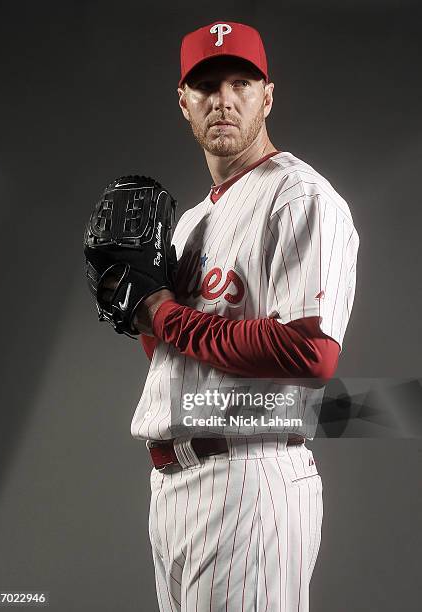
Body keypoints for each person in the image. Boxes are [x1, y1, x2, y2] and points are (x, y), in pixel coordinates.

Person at [131, 20, 359, 612]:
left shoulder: (298, 196)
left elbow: (310, 353)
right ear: (184, 103)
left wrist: (166, 314)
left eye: (241, 82)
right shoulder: (187, 224)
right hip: (171, 486)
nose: (224, 100)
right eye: (207, 86)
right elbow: (182, 357)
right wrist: (139, 316)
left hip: (250, 480)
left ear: (268, 95)